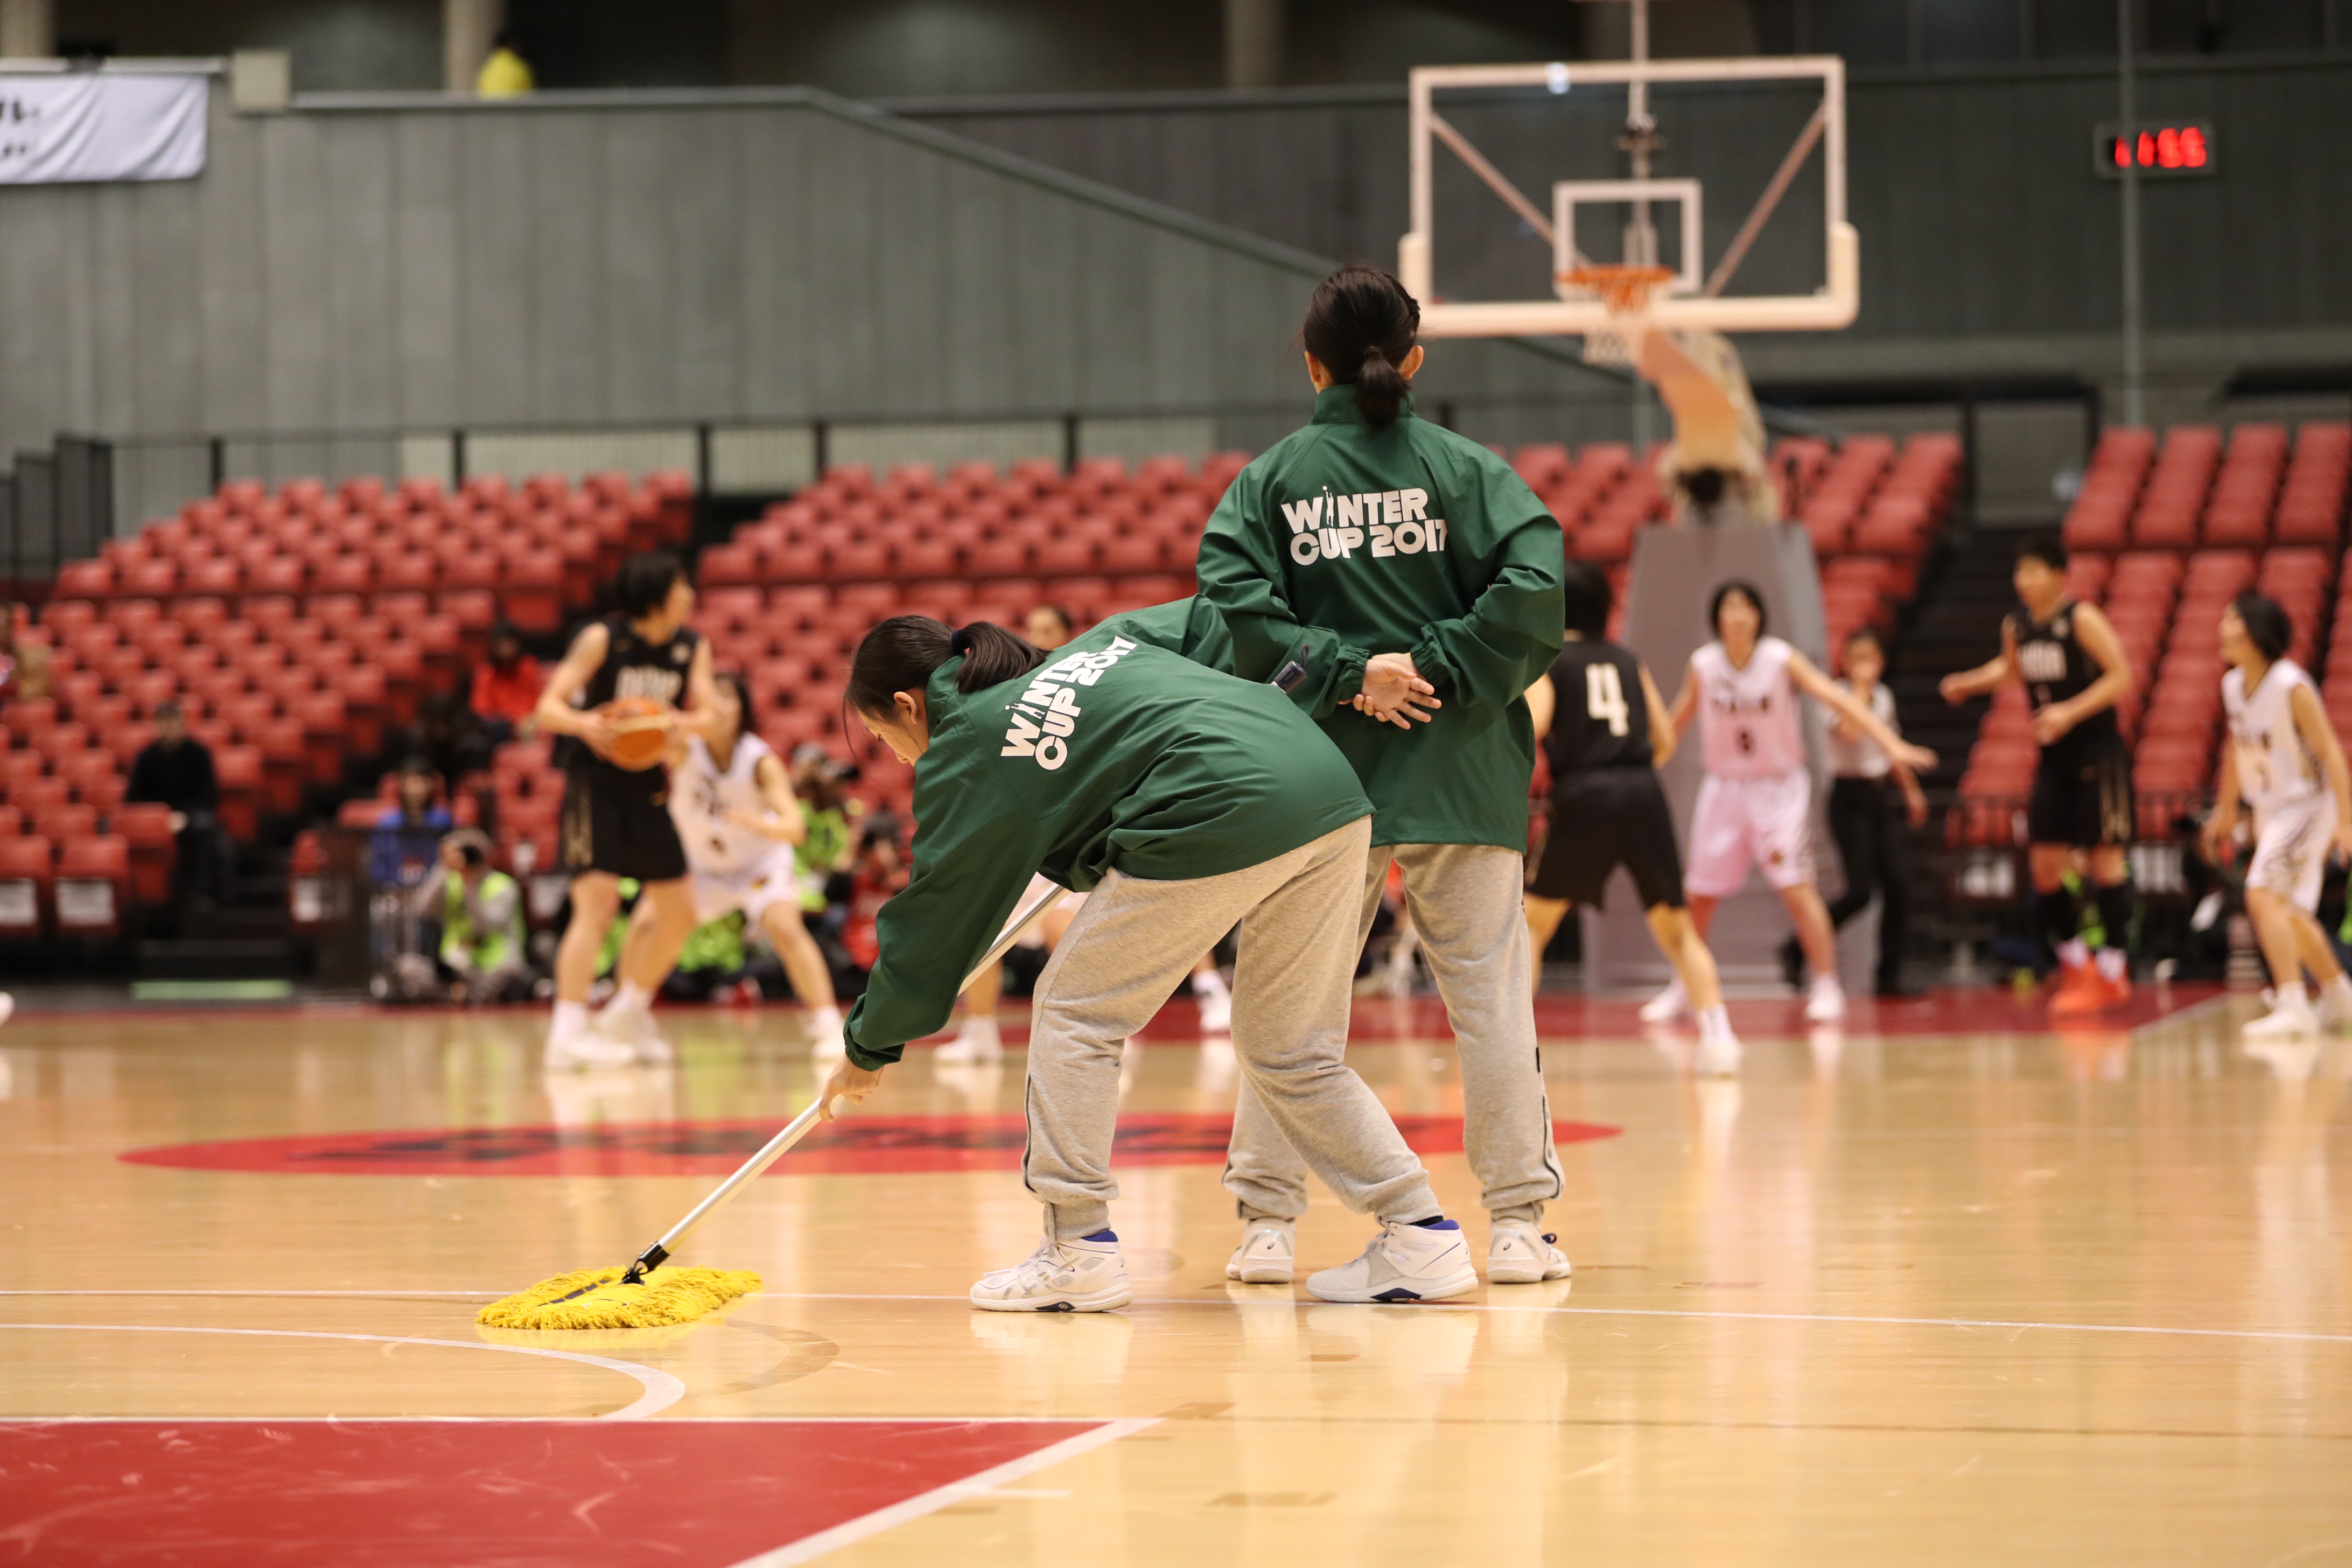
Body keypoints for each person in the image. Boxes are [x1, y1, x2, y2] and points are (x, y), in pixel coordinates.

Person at [822, 616, 1476, 1310]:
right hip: (1328, 792)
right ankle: (1421, 1232)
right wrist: (1339, 669)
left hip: (1221, 807)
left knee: (1074, 1014)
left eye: (884, 739)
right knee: (1290, 1049)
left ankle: (1078, 1248)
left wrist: (869, 1043)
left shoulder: (969, 741)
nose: (898, 759)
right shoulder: (1104, 642)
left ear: (907, 706)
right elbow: (1218, 619)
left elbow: (935, 915)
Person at [1194, 264, 1572, 1290]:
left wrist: (1346, 671)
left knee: (1284, 1016)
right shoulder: (1468, 471)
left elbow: (1229, 608)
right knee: (1491, 1006)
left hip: (1315, 784)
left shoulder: (1270, 482)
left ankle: (1266, 1226)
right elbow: (1536, 585)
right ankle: (1516, 1227)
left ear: (1309, 364)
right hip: (1461, 773)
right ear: (1413, 361)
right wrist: (1436, 664)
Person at [941, 601, 1231, 1061]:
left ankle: (1130, 1018)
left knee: (1068, 923)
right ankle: (979, 1031)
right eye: (1032, 628)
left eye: (1047, 629)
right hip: (1033, 840)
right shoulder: (1015, 693)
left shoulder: (1089, 683)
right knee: (980, 929)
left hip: (1088, 834)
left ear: (1069, 635)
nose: (1038, 637)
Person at [1651, 582, 1935, 1025]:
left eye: (1747, 607)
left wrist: (1891, 744)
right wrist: (1641, 763)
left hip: (1777, 787)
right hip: (1724, 786)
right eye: (1730, 607)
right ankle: (1685, 987)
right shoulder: (1704, 664)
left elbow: (1836, 696)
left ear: (1759, 616)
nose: (1739, 616)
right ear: (1717, 618)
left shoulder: (1780, 659)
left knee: (1797, 888)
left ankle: (1826, 983)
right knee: (1698, 895)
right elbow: (1679, 718)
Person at [1523, 562, 1743, 1073]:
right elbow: (1662, 738)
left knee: (1532, 926)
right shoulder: (1627, 659)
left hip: (1585, 793)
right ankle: (1720, 1036)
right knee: (1678, 929)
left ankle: (1516, 1045)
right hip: (1643, 790)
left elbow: (1533, 725)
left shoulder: (1551, 661)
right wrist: (1627, 773)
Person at [534, 551, 720, 1069]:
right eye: (682, 585)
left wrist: (671, 724)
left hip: (648, 786)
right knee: (597, 904)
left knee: (680, 910)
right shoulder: (604, 639)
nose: (690, 596)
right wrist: (586, 723)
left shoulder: (691, 647)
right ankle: (567, 1031)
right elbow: (547, 708)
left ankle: (629, 1009)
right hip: (592, 784)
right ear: (657, 591)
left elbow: (710, 717)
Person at [1940, 536, 2137, 1015]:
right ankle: (2075, 967)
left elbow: (2121, 676)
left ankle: (2113, 968)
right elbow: (2011, 670)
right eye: (2020, 572)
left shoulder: (2081, 619)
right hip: (2053, 756)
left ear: (2058, 575)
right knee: (2045, 864)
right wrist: (1969, 682)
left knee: (2106, 862)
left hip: (2098, 752)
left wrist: (2069, 711)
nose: (2024, 581)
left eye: (2033, 571)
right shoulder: (2018, 626)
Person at [657, 670, 846, 1058]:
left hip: (758, 863)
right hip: (704, 867)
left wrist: (757, 823)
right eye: (711, 696)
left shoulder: (759, 760)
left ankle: (828, 1022)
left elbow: (795, 828)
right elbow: (656, 735)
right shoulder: (683, 749)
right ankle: (627, 1012)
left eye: (728, 697)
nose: (719, 704)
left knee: (785, 928)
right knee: (652, 924)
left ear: (743, 709)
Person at [2203, 593, 2352, 1038]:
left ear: (2256, 631)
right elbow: (2237, 747)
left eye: (2232, 619)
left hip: (2305, 805)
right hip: (2271, 809)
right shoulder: (2233, 685)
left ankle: (2292, 1003)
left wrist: (2346, 821)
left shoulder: (2291, 686)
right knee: (2289, 912)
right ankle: (2339, 996)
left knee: (2262, 894)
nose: (2223, 627)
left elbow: (2331, 751)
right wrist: (2226, 807)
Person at [1778, 627, 1929, 998]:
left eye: (1871, 659)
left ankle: (1889, 975)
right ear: (1846, 662)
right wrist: (1859, 691)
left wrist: (1911, 791)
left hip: (1879, 796)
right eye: (1857, 659)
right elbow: (1848, 732)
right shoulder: (1835, 696)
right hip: (1848, 798)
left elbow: (1890, 747)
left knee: (1899, 885)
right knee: (1860, 891)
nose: (1865, 666)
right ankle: (1797, 948)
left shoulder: (1885, 697)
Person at [1633, 326, 1779, 526]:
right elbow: (1668, 485)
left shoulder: (1738, 450)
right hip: (1695, 513)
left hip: (1736, 511)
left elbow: (1755, 479)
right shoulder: (1683, 451)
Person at [125, 700, 231, 916]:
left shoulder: (199, 753)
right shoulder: (145, 758)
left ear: (183, 725)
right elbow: (134, 800)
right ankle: (146, 898)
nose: (169, 729)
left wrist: (184, 817)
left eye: (173, 723)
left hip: (191, 817)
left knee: (204, 830)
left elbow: (209, 796)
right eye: (164, 724)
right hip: (156, 822)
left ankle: (199, 895)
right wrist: (158, 818)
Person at [418, 829, 529, 1002]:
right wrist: (443, 866)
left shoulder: (503, 886)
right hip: (456, 967)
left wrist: (470, 885)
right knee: (409, 968)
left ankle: (460, 995)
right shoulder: (449, 881)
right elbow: (423, 911)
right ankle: (464, 994)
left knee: (509, 976)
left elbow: (483, 928)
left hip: (495, 966)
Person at [370, 760, 452, 890]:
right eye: (411, 783)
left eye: (420, 782)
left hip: (435, 892)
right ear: (401, 786)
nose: (415, 789)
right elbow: (378, 867)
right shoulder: (386, 826)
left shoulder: (444, 822)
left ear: (430, 785)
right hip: (394, 891)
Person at [468, 621, 542, 747]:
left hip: (525, 724)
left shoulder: (528, 667)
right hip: (497, 728)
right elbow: (481, 709)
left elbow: (535, 702)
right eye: (501, 644)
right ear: (493, 647)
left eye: (509, 643)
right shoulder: (485, 673)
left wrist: (518, 723)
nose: (506, 649)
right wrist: (506, 723)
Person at [0, 607, 51, 705]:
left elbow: (40, 687)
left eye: (4, 625)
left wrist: (15, 690)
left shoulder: (32, 657)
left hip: (14, 707)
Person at [475, 26, 534, 97]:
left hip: (489, 104)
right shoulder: (520, 67)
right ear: (513, 44)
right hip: (513, 104)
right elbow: (530, 97)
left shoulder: (487, 68)